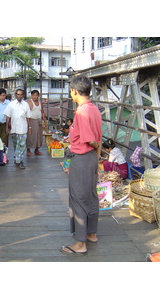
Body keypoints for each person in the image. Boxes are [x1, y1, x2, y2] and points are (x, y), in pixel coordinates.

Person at [60, 75, 102, 255]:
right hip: (91, 158)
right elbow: (97, 137)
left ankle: (80, 243)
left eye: (71, 91)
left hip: (83, 157)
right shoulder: (94, 109)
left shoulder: (82, 112)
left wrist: (95, 146)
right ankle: (91, 234)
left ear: (74, 91)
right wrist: (97, 155)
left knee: (78, 198)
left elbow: (91, 139)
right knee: (91, 196)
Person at [4, 89, 31, 169]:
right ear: (16, 95)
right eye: (18, 94)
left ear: (23, 95)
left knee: (22, 145)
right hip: (14, 128)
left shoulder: (26, 104)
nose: (19, 96)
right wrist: (7, 127)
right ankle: (17, 159)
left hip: (23, 128)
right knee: (16, 146)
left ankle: (20, 161)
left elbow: (28, 117)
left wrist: (30, 127)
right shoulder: (11, 104)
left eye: (21, 94)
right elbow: (8, 116)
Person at [26, 90, 48, 156]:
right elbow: (27, 114)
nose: (35, 97)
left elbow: (42, 112)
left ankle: (37, 149)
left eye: (36, 95)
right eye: (33, 95)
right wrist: (29, 125)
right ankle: (28, 150)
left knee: (39, 136)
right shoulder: (29, 102)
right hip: (32, 120)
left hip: (39, 120)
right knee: (31, 136)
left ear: (38, 96)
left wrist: (45, 121)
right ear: (31, 96)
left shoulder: (40, 103)